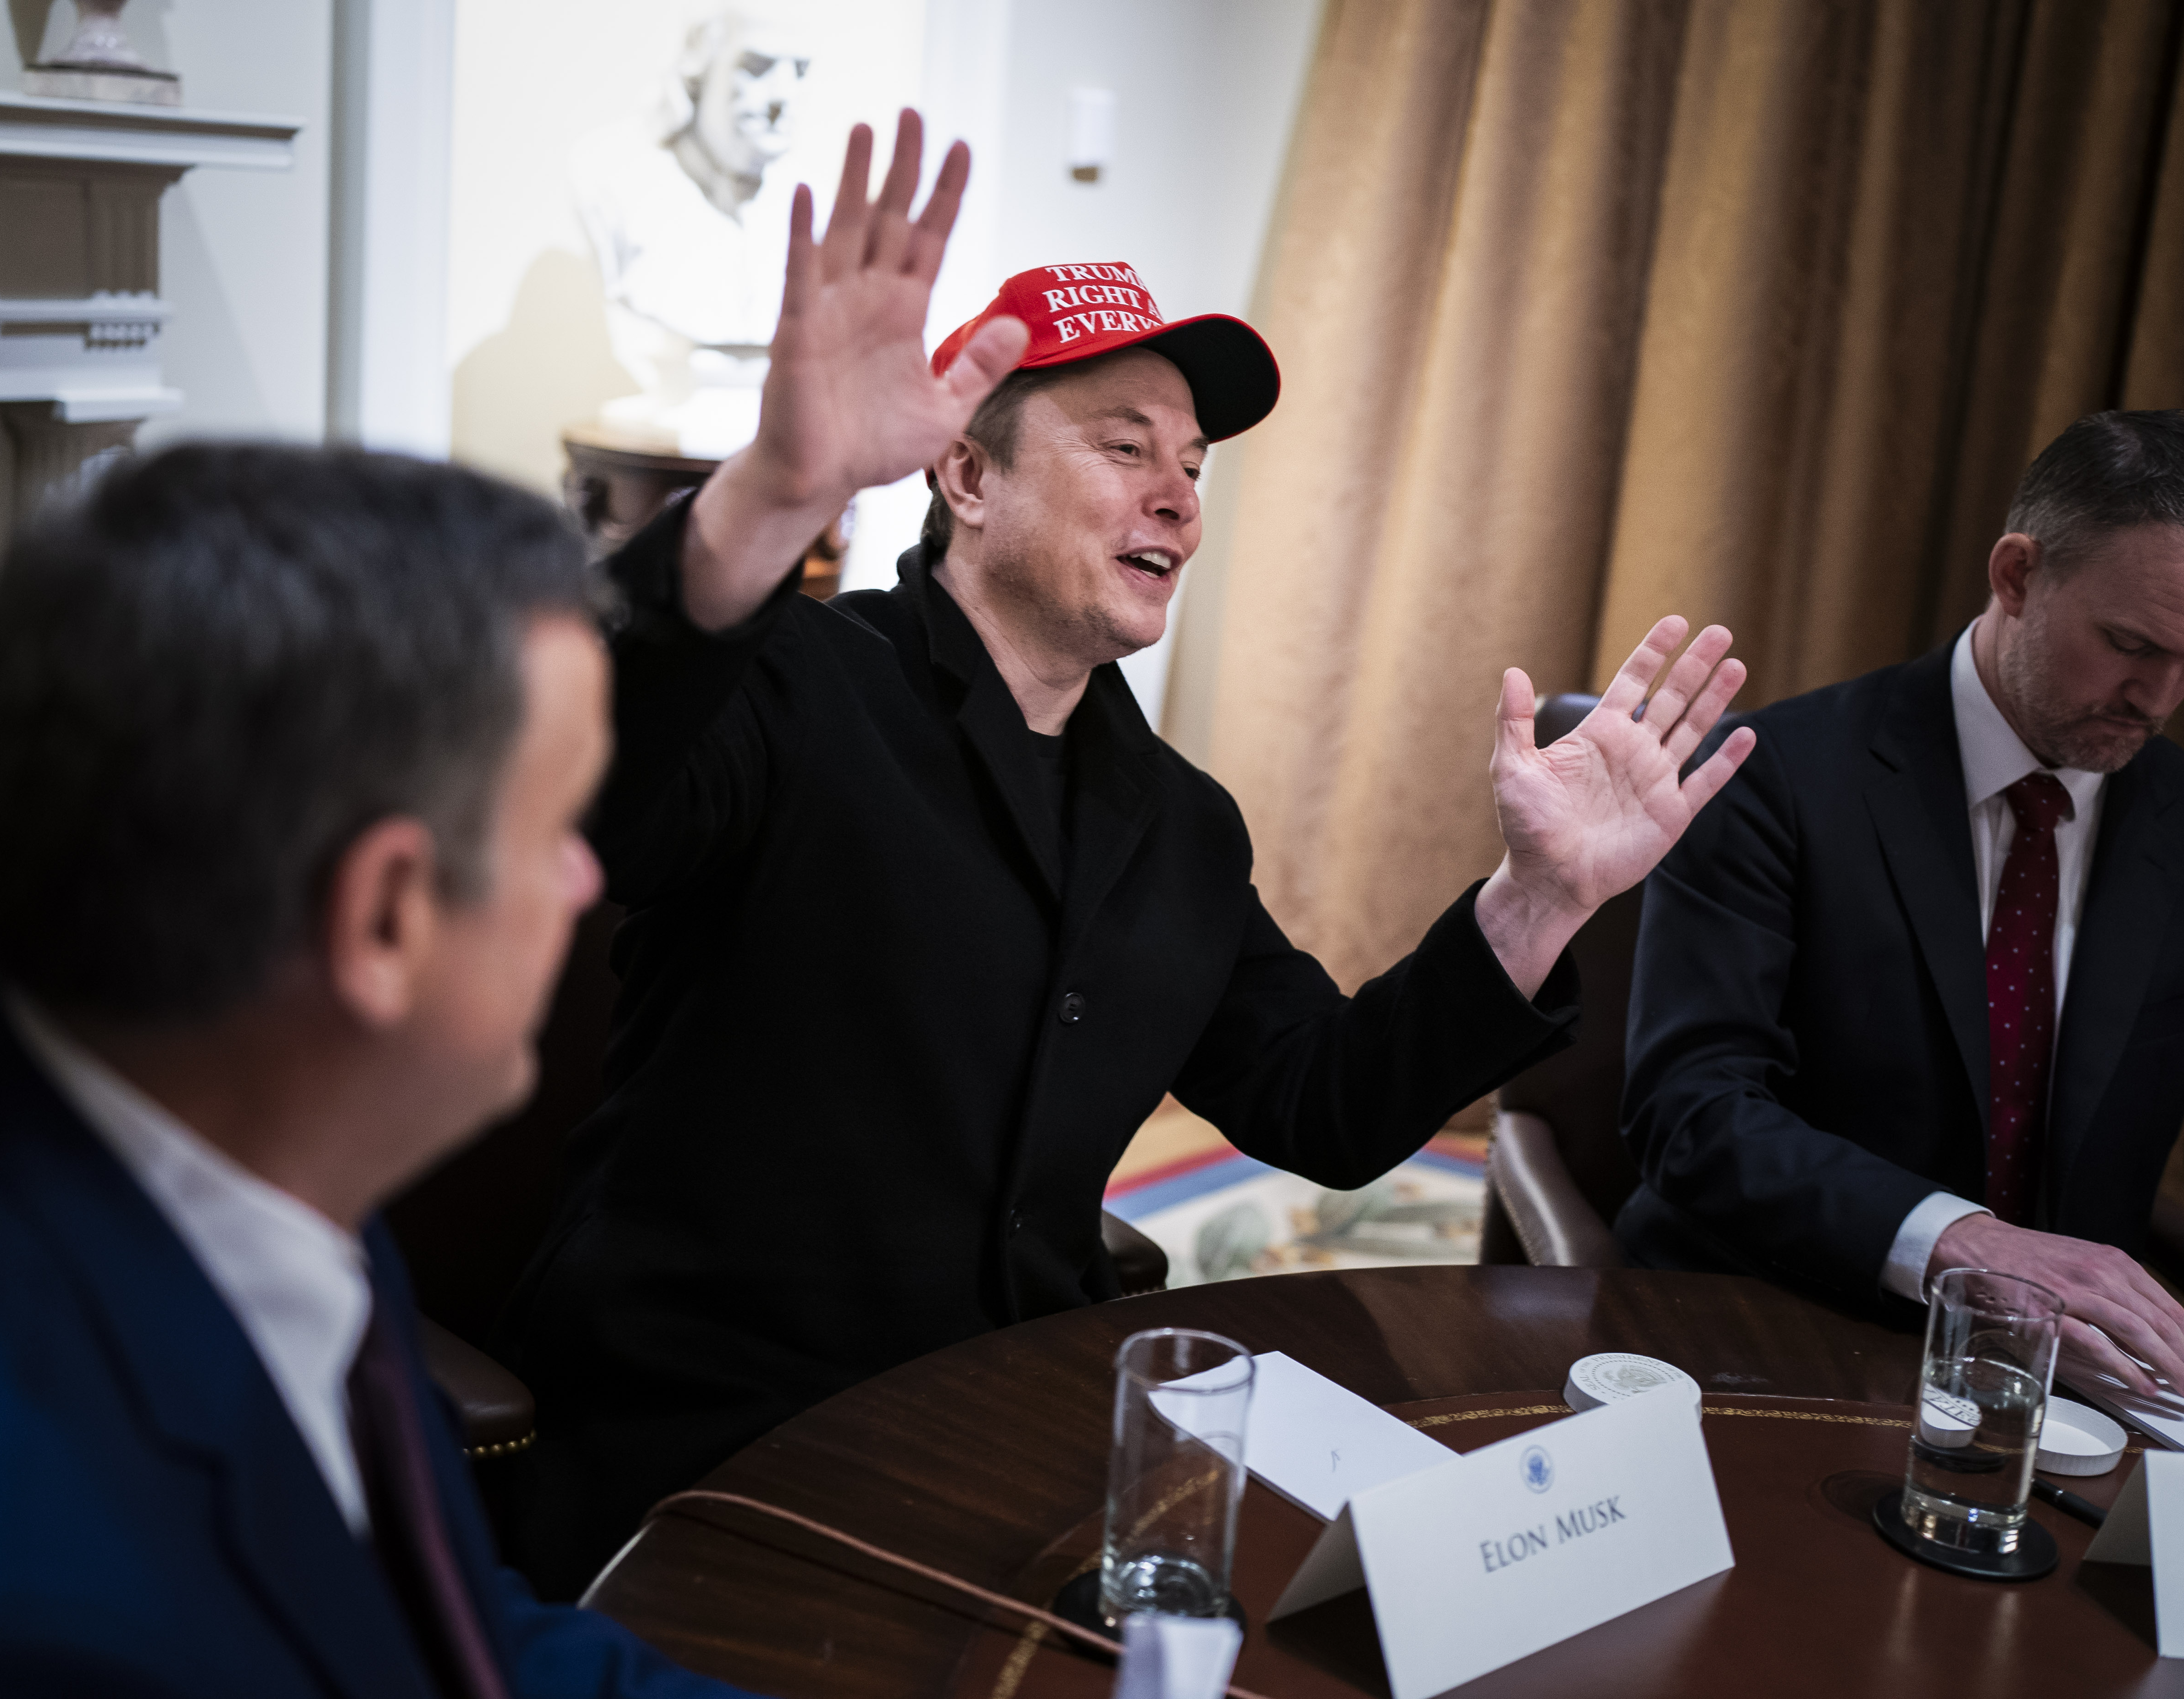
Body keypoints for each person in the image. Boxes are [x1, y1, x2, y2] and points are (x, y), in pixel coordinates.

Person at [493, 110, 1758, 1596]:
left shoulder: (1175, 819)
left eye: (1194, 463)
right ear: (964, 478)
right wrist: (769, 496)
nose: (1180, 496)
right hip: (710, 1452)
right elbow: (587, 784)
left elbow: (1324, 1103)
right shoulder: (790, 683)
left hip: (1010, 1428)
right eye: (1121, 446)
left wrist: (1535, 900)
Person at [0, 447, 757, 1696]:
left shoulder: (241, 1140)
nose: (585, 882)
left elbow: (447, 1634)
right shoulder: (9, 1615)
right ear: (381, 918)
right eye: (555, 831)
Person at [1618, 408, 2184, 1422]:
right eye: (2132, 644)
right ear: (2018, 575)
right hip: (1763, 1326)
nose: (2159, 699)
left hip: (2063, 1396)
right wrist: (1960, 1244)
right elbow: (1694, 1110)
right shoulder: (1773, 780)